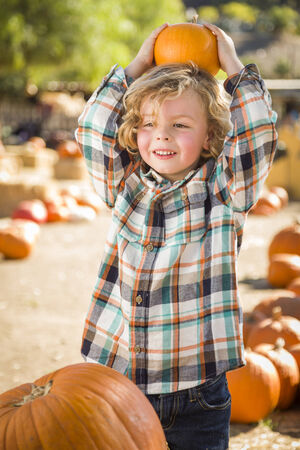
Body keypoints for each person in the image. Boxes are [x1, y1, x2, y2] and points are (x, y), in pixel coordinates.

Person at [76, 22, 277, 450]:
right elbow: (93, 131)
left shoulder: (224, 192)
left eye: (180, 125)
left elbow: (257, 137)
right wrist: (135, 68)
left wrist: (235, 69)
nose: (161, 134)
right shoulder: (124, 184)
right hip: (121, 387)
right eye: (148, 123)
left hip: (197, 398)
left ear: (211, 137)